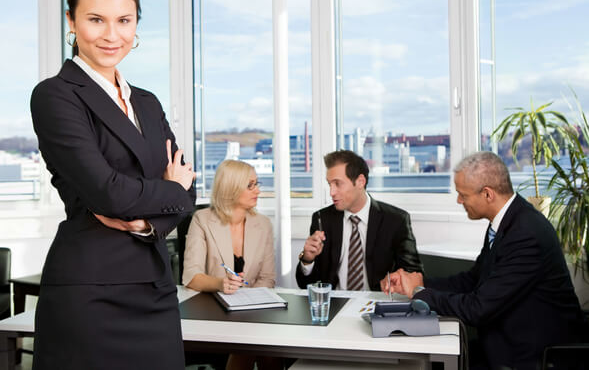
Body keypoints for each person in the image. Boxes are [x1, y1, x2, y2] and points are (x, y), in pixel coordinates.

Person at [30, 0, 195, 370]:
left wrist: (145, 223)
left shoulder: (148, 102)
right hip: (90, 292)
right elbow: (107, 192)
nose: (111, 35)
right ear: (71, 22)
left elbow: (188, 191)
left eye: (124, 21)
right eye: (95, 20)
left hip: (154, 289)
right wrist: (169, 191)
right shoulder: (56, 96)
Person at [383, 151, 585, 369]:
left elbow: (478, 308)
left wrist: (419, 293)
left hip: (533, 355)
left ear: (487, 194)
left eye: (463, 194)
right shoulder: (507, 222)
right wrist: (420, 282)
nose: (459, 200)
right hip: (505, 341)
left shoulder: (526, 233)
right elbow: (473, 280)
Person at [183, 159, 277, 370]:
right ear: (231, 188)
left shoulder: (263, 224)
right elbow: (191, 276)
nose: (258, 191)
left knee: (271, 350)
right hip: (213, 310)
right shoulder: (202, 220)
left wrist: (248, 301)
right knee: (251, 346)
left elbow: (268, 279)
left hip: (253, 311)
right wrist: (220, 283)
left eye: (257, 183)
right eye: (250, 185)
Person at [296, 150, 422, 291]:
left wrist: (396, 281)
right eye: (329, 184)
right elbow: (305, 284)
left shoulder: (396, 221)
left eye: (338, 184)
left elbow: (414, 275)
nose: (331, 192)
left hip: (378, 305)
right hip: (335, 306)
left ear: (360, 181)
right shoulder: (322, 219)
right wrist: (307, 259)